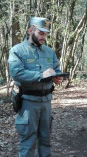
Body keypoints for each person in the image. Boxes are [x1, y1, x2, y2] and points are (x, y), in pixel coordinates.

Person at [8, 17, 63, 156]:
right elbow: (17, 73)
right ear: (30, 30)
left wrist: (57, 76)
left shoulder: (49, 52)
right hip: (28, 102)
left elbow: (56, 68)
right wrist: (41, 75)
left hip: (46, 102)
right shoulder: (17, 51)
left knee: (45, 139)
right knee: (28, 140)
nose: (44, 37)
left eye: (46, 34)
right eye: (40, 33)